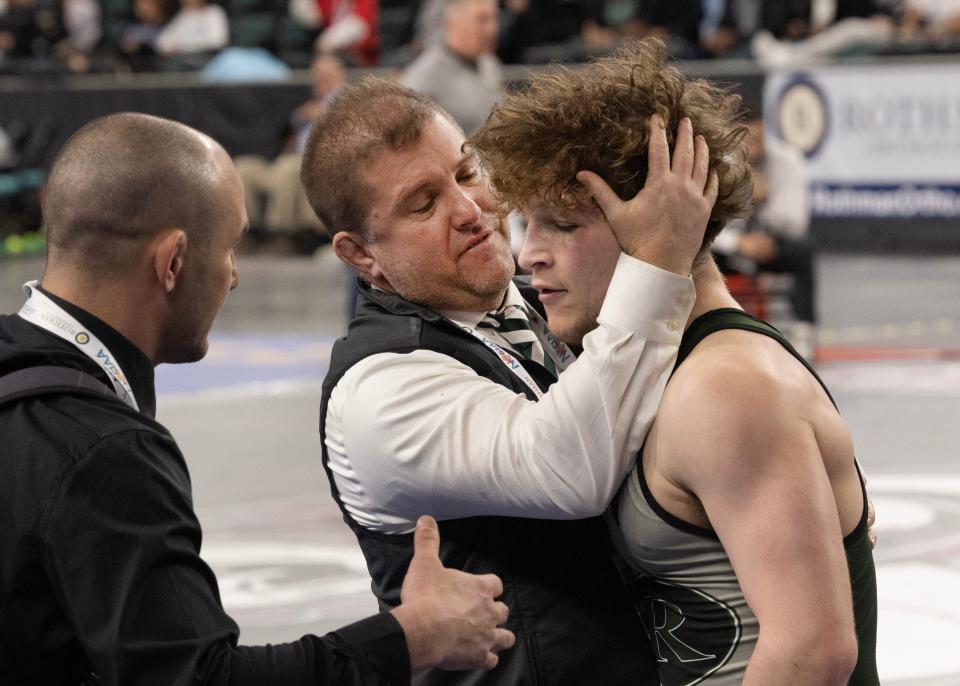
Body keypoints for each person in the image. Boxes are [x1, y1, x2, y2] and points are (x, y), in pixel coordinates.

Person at [0, 112, 515, 685]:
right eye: (229, 249)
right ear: (172, 262)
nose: (234, 277)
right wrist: (412, 636)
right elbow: (202, 679)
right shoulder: (103, 453)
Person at [469, 39, 879, 685]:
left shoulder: (727, 389)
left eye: (563, 226)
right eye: (528, 226)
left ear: (667, 223)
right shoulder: (662, 368)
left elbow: (813, 655)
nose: (529, 255)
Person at [301, 71, 717, 682]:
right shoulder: (378, 391)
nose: (471, 211)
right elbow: (568, 469)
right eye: (424, 204)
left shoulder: (550, 302)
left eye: (468, 173)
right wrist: (656, 262)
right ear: (360, 254)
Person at [401, 0, 502, 134]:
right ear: (451, 22)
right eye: (482, 20)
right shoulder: (423, 80)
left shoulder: (490, 64)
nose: (492, 29)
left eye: (495, 18)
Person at [155, 0, 228, 57]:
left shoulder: (214, 12)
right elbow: (162, 42)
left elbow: (217, 41)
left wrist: (182, 46)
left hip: (208, 58)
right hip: (184, 60)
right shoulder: (184, 15)